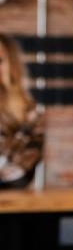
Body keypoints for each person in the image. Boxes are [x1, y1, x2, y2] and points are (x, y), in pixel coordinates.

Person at [0, 35, 43, 189]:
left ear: (12, 65)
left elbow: (21, 174)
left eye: (0, 61)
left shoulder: (30, 113)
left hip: (13, 203)